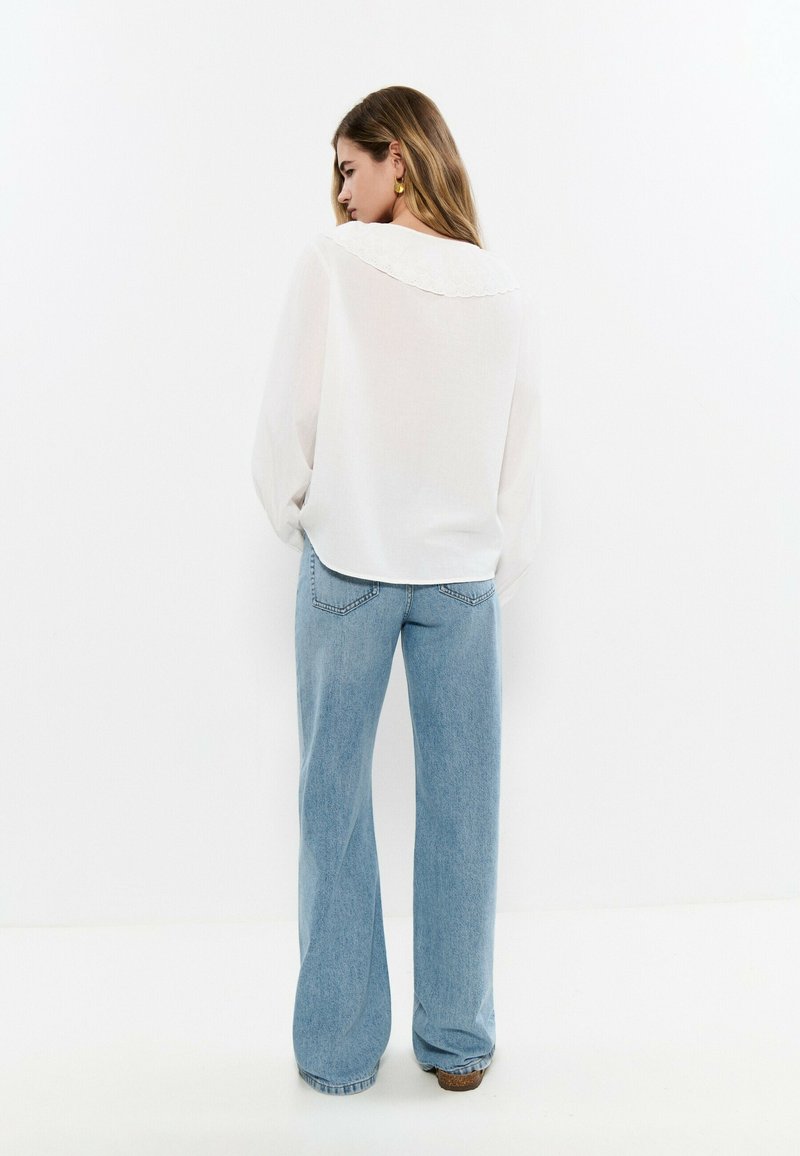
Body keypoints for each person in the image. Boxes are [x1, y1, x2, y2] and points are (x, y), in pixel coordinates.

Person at [251, 86, 542, 1096]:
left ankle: (338, 1052)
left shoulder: (334, 263)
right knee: (465, 807)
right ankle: (457, 1042)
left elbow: (288, 417)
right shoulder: (498, 284)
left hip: (351, 561)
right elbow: (519, 451)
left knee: (332, 802)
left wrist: (298, 512)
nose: (340, 192)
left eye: (349, 167)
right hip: (461, 578)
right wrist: (493, 560)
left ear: (398, 161)